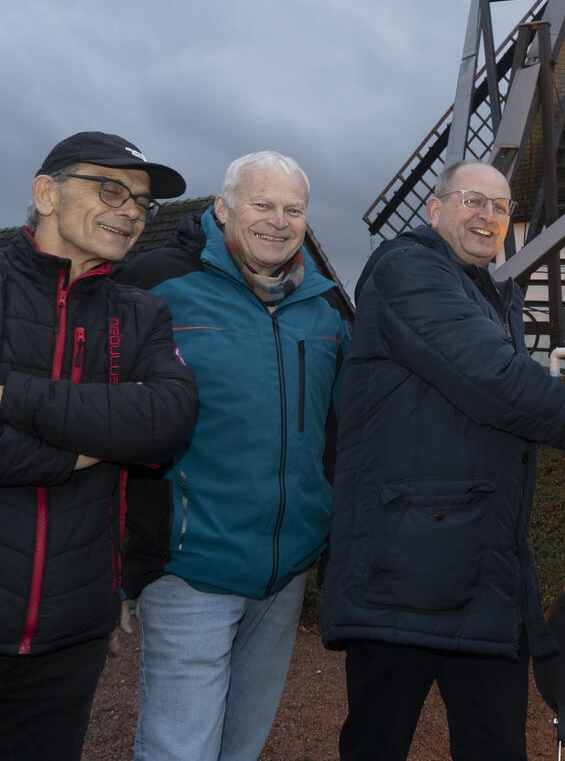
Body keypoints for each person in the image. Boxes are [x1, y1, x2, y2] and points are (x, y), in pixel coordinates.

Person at [321, 159, 565, 761]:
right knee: (378, 741)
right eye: (472, 200)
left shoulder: (493, 295)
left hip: (480, 563)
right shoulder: (408, 269)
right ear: (433, 208)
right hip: (406, 567)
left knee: (494, 744)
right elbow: (493, 379)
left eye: (499, 206)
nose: (487, 216)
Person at [0, 130, 197, 761]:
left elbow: (167, 421)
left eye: (142, 202)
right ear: (46, 194)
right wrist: (93, 444)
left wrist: (7, 397)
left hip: (67, 638)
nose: (131, 211)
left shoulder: (142, 314)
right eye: (110, 189)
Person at [115, 151, 350, 761]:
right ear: (222, 209)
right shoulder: (153, 286)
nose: (279, 221)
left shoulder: (325, 308)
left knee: (242, 745)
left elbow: (341, 431)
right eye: (262, 204)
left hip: (286, 571)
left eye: (293, 209)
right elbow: (105, 418)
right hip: (193, 562)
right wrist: (112, 559)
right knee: (180, 749)